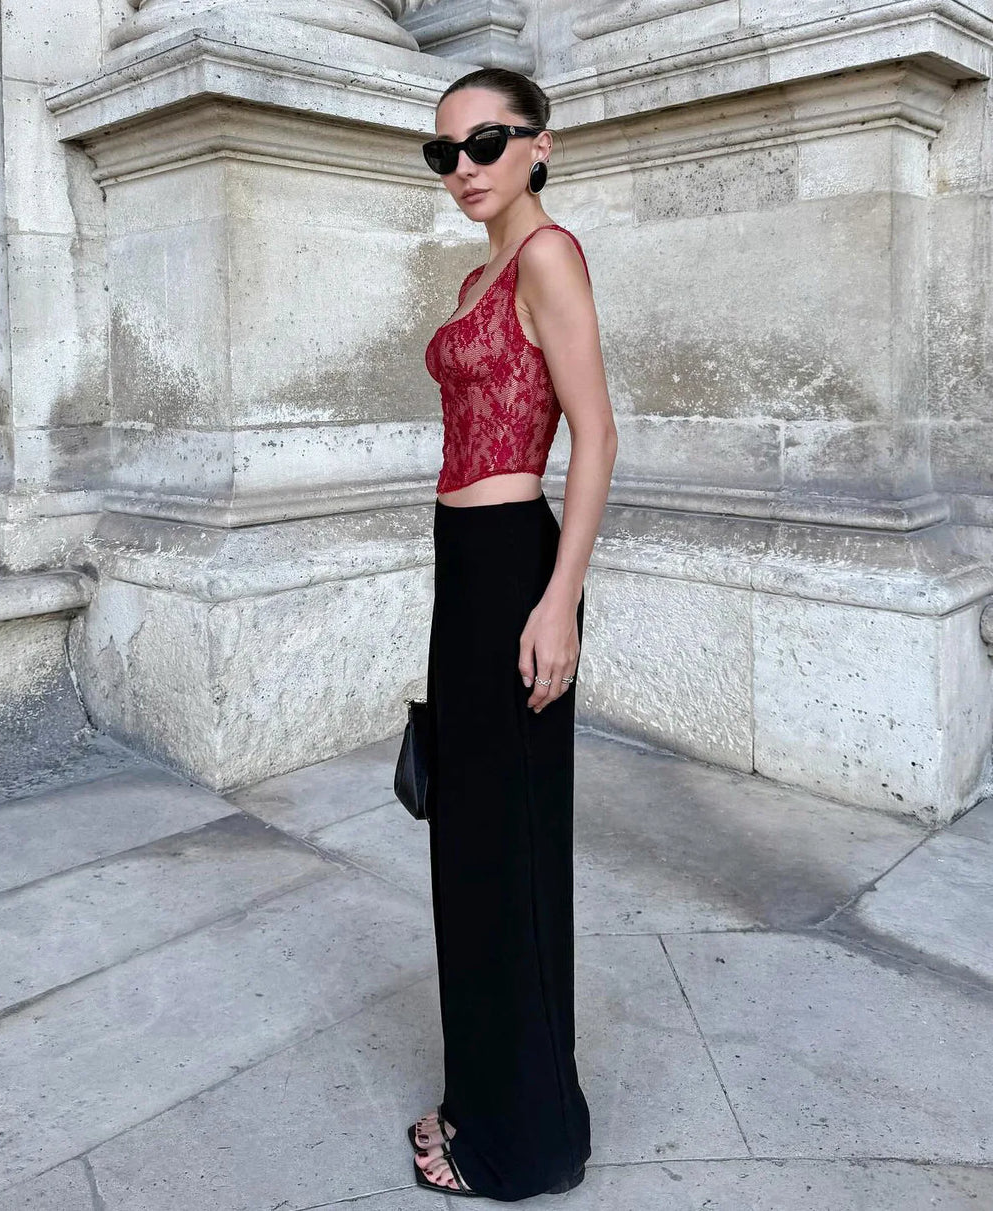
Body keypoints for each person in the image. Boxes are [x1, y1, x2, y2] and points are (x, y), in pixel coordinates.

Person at [409, 66, 618, 1201]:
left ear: (540, 142)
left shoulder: (546, 255)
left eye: (484, 142)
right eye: (443, 152)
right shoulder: (475, 269)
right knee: (471, 843)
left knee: (511, 849)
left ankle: (525, 1141)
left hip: (519, 572)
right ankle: (485, 1094)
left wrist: (557, 600)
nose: (464, 168)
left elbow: (596, 435)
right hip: (465, 570)